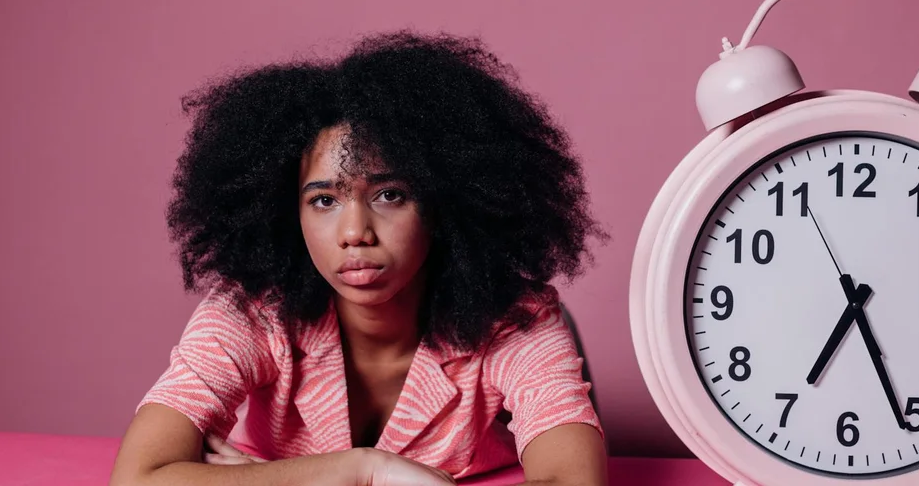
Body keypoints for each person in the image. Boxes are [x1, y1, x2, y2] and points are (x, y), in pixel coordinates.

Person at [109, 31, 610, 486]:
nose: (354, 233)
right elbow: (137, 479)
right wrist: (363, 469)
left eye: (389, 195)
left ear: (442, 203)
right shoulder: (251, 313)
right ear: (289, 213)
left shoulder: (513, 318)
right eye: (324, 200)